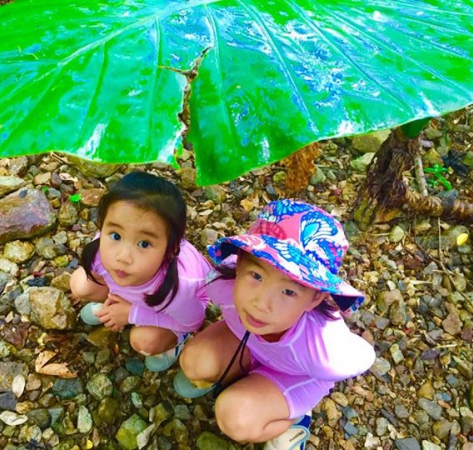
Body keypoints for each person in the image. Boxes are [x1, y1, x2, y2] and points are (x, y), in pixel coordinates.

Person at [174, 200, 375, 449]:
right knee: (194, 363)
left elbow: (363, 356)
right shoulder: (221, 285)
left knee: (235, 419)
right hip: (248, 344)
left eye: (289, 292)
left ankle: (293, 419)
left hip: (292, 373)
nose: (261, 304)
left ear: (314, 298)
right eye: (256, 276)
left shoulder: (323, 349)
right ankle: (245, 379)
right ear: (239, 264)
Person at [70, 171, 211, 372]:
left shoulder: (179, 289)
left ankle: (174, 343)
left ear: (170, 250)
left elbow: (193, 322)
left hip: (171, 308)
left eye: (144, 243)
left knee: (144, 342)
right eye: (116, 235)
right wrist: (116, 304)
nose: (123, 257)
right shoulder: (101, 250)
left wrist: (132, 314)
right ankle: (114, 305)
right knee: (79, 285)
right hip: (135, 290)